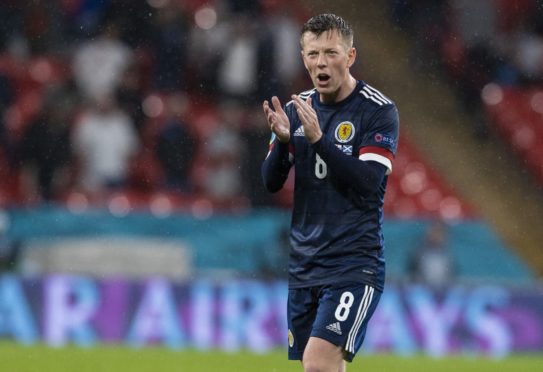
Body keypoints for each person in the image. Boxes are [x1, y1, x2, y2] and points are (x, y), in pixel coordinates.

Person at [261, 14, 399, 371]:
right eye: (312, 54)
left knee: (317, 364)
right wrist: (283, 142)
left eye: (331, 53)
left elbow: (369, 183)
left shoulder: (377, 110)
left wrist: (319, 141)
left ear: (350, 56)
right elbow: (270, 183)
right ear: (303, 57)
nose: (320, 63)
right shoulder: (297, 109)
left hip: (354, 263)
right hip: (305, 265)